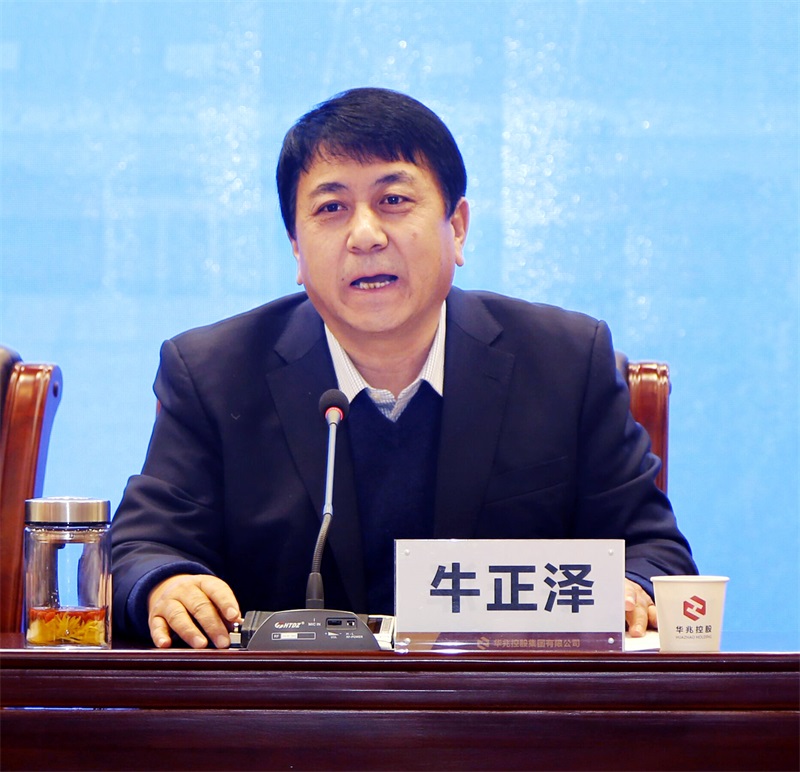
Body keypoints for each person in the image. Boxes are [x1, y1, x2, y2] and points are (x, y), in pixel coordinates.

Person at [111, 87, 696, 649]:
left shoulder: (565, 362)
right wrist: (167, 584)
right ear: (295, 248)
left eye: (393, 200)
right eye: (331, 208)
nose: (365, 236)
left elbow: (654, 552)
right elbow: (142, 548)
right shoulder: (215, 374)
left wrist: (632, 587)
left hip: (500, 710)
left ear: (457, 227)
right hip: (290, 711)